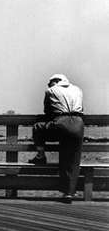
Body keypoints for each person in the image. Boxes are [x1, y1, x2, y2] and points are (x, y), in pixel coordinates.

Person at [29, 74, 84, 203]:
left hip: (61, 122)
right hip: (78, 123)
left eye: (50, 83)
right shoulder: (77, 89)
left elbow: (47, 111)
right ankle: (69, 193)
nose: (49, 86)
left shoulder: (51, 91)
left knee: (38, 127)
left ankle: (40, 156)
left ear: (55, 82)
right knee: (72, 159)